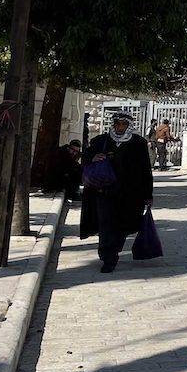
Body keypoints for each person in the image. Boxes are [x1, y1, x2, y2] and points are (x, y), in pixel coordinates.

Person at [80, 112, 153, 273]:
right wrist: (93, 157)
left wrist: (148, 194)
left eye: (123, 124)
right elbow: (85, 157)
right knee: (106, 223)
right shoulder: (101, 141)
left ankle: (115, 249)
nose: (120, 127)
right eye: (117, 124)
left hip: (130, 194)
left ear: (129, 126)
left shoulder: (138, 143)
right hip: (104, 191)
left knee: (124, 225)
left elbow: (145, 170)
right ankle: (108, 257)